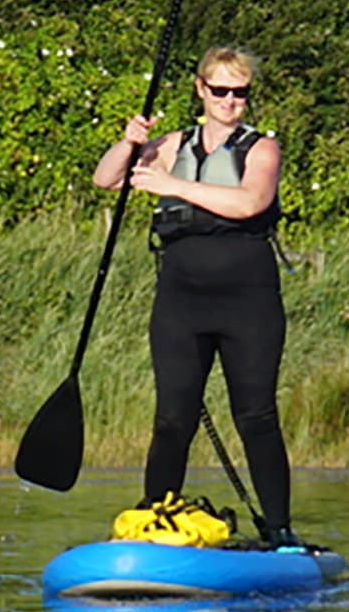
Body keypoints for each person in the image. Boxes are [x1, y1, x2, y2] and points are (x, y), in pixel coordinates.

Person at [89, 46, 305, 550]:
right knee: (172, 419)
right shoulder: (173, 145)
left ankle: (279, 531)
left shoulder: (261, 149)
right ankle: (154, 521)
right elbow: (107, 178)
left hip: (248, 300)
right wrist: (129, 142)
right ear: (201, 90)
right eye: (221, 90)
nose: (230, 101)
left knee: (255, 416)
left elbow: (250, 202)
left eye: (240, 92)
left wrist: (171, 185)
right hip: (181, 301)